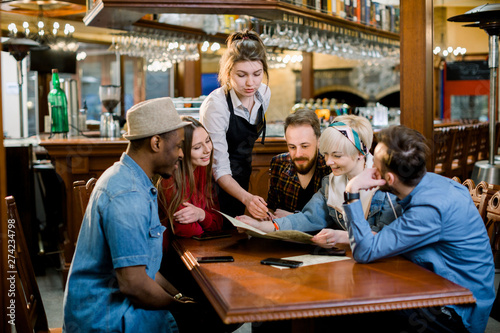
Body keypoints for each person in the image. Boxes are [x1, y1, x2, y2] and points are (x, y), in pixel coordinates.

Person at [342, 125, 495, 333]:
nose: (370, 169)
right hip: (438, 288)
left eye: (374, 165)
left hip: (456, 312)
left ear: (389, 179)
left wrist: (352, 191)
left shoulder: (430, 209)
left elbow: (365, 252)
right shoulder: (433, 183)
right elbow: (400, 240)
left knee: (359, 309)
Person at [63, 97, 194, 333]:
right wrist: (179, 307)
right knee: (206, 322)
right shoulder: (128, 194)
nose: (182, 154)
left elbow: (147, 271)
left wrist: (179, 296)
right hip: (105, 320)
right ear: (156, 143)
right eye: (178, 146)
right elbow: (135, 285)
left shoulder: (131, 178)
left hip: (113, 309)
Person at [238, 115, 400, 249]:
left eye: (336, 155)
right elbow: (307, 218)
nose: (328, 162)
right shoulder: (330, 183)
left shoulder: (387, 186)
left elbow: (389, 238)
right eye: (326, 154)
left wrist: (342, 236)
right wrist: (257, 226)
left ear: (360, 153)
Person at [199, 29, 271, 221]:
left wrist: (246, 198)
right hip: (214, 184)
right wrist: (247, 198)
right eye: (241, 75)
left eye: (257, 74)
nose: (251, 83)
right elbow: (218, 168)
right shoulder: (216, 106)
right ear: (228, 73)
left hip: (242, 177)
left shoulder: (264, 93)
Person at [158, 116, 223, 240]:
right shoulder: (168, 179)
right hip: (173, 251)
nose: (208, 150)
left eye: (208, 140)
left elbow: (218, 222)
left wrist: (201, 214)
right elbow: (186, 230)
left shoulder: (203, 167)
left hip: (200, 246)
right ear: (180, 151)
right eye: (197, 147)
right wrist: (206, 219)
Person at [266, 109, 331, 216]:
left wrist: (292, 218)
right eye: (292, 147)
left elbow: (335, 220)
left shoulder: (330, 167)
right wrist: (265, 216)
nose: (298, 154)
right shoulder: (279, 163)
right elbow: (272, 207)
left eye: (305, 146)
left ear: (319, 141)